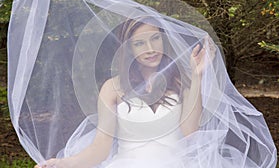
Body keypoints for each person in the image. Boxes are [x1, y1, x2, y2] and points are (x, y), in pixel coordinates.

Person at [34, 17, 216, 168]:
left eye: (155, 38)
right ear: (129, 48)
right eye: (139, 43)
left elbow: (190, 133)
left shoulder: (181, 83)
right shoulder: (112, 88)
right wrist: (62, 164)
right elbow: (100, 148)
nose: (150, 48)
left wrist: (197, 76)